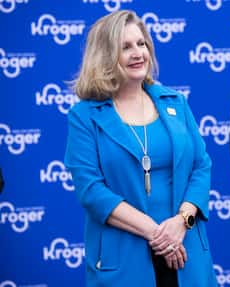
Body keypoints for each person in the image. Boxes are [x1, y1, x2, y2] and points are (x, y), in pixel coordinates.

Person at [64, 10, 217, 287]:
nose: (138, 53)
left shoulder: (176, 102)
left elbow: (201, 165)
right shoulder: (84, 116)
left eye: (141, 44)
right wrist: (158, 234)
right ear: (105, 56)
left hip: (186, 251)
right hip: (124, 258)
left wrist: (182, 222)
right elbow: (91, 190)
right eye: (125, 47)